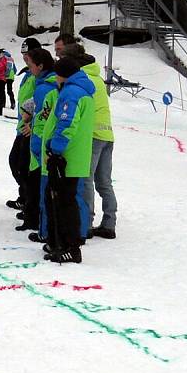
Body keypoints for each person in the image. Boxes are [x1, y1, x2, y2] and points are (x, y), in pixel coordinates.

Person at [40, 57, 95, 264]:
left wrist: (54, 149)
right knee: (61, 200)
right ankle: (60, 242)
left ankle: (71, 247)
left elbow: (67, 124)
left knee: (64, 202)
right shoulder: (82, 91)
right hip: (74, 158)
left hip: (67, 158)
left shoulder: (71, 93)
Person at [61, 43, 118, 239]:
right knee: (104, 182)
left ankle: (86, 222)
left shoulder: (81, 79)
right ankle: (110, 223)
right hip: (107, 134)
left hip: (92, 135)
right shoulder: (97, 77)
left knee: (86, 180)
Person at [25, 48, 58, 234]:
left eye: (31, 65)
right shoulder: (45, 84)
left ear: (41, 66)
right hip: (38, 137)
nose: (29, 69)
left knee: (35, 183)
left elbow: (42, 117)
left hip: (39, 141)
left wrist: (37, 144)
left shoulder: (46, 87)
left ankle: (36, 221)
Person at [7, 38, 41, 210]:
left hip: (31, 128)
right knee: (16, 163)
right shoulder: (28, 74)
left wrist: (33, 122)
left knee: (22, 165)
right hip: (22, 127)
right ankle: (25, 196)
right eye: (23, 55)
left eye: (27, 55)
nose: (25, 58)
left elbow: (42, 101)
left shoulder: (38, 75)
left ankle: (29, 199)